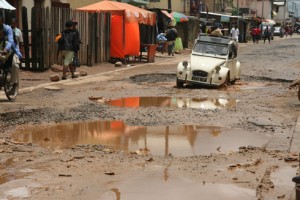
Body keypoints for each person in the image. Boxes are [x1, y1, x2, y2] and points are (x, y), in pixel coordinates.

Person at [0, 16, 22, 94]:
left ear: (2, 21)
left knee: (14, 65)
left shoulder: (8, 29)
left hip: (10, 50)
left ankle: (15, 84)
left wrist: (6, 49)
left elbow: (10, 41)